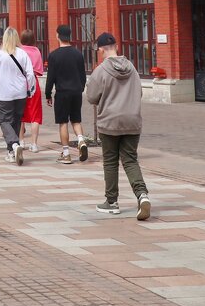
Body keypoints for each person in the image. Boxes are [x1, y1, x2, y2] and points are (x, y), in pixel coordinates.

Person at [86, 32, 150, 220]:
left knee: (111, 161)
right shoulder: (132, 68)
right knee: (130, 159)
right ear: (116, 46)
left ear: (101, 49)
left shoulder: (101, 71)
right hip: (132, 120)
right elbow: (139, 92)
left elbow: (91, 97)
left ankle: (111, 202)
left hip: (110, 121)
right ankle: (142, 195)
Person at [0, 27, 35, 165]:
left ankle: (14, 145)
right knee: (16, 120)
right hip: (20, 92)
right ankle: (11, 151)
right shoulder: (23, 53)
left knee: (4, 120)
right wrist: (31, 89)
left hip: (4, 93)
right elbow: (30, 73)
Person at [45, 24, 89, 164]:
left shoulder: (54, 55)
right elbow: (83, 75)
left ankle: (66, 153)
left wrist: (47, 94)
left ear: (58, 35)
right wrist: (81, 88)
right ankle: (81, 140)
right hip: (76, 91)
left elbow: (50, 77)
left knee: (63, 122)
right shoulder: (78, 54)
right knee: (76, 119)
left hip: (62, 93)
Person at [20, 29, 45, 152]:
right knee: (35, 115)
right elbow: (40, 71)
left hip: (20, 83)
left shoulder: (19, 51)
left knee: (20, 114)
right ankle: (34, 144)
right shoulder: (36, 51)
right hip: (34, 84)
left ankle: (21, 141)